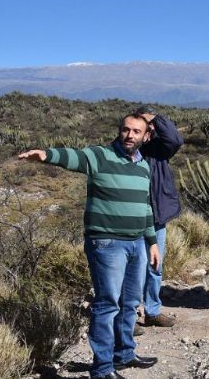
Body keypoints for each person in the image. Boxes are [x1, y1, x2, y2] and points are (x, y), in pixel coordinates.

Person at [19, 113, 160, 379]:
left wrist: (152, 242)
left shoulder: (143, 166)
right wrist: (47, 155)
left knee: (130, 302)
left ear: (146, 136)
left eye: (136, 132)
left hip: (136, 244)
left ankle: (124, 354)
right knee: (107, 304)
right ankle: (103, 368)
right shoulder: (100, 156)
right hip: (107, 243)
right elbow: (75, 157)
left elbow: (145, 208)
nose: (130, 135)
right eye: (126, 130)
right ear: (119, 131)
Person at [136, 106, 184, 329]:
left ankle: (152, 311)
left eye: (150, 127)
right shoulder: (125, 151)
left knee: (155, 265)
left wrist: (154, 118)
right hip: (132, 217)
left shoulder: (159, 150)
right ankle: (128, 314)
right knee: (131, 266)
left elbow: (174, 139)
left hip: (156, 217)